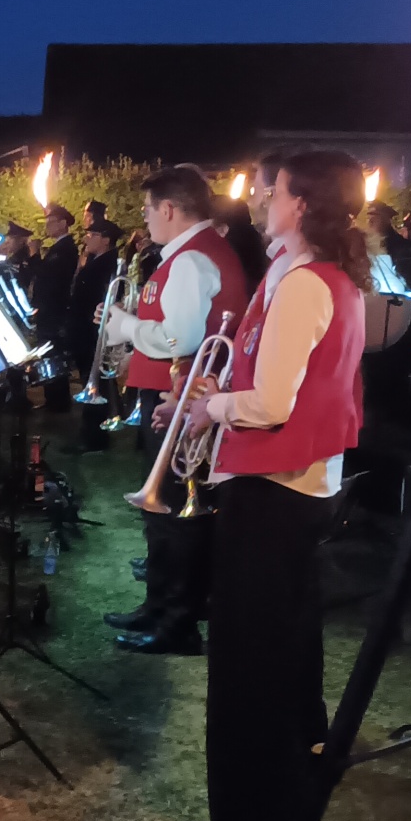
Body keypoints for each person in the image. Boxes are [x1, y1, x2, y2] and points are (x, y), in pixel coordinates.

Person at [174, 151, 367, 821]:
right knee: (278, 663)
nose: (260, 199)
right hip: (287, 488)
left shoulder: (304, 284)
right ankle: (279, 813)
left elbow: (271, 403)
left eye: (272, 191)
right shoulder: (305, 274)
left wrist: (214, 408)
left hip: (274, 493)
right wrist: (211, 402)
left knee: (249, 671)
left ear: (302, 204)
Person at [97, 165, 247, 655]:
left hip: (178, 398)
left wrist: (124, 327)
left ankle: (176, 621)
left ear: (167, 209)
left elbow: (178, 339)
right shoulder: (191, 254)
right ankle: (159, 605)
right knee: (162, 512)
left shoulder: (190, 260)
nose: (144, 218)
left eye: (147, 209)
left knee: (174, 514)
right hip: (175, 395)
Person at [69, 218, 125, 449]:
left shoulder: (110, 264)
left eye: (92, 235)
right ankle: (90, 433)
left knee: (96, 385)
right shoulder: (96, 260)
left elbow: (105, 299)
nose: (87, 238)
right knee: (90, 382)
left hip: (93, 332)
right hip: (85, 329)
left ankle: (94, 437)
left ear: (106, 239)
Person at [29, 204, 79, 411]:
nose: (47, 226)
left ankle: (58, 401)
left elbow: (48, 277)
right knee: (48, 354)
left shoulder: (65, 249)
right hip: (49, 311)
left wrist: (34, 254)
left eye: (51, 222)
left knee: (53, 354)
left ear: (63, 223)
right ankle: (52, 398)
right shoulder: (57, 248)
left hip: (54, 310)